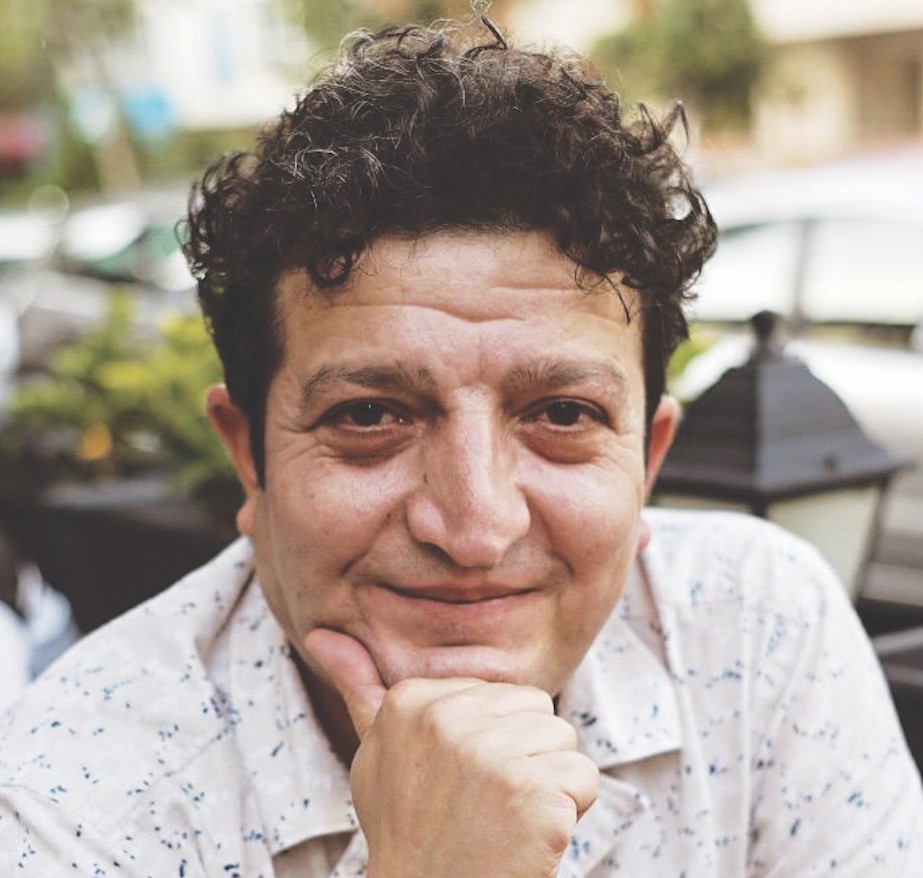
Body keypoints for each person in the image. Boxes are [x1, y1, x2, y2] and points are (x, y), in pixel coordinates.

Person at [1, 16, 921, 877]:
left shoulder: (759, 629)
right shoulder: (70, 808)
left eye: (562, 414)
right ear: (250, 458)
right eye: (369, 416)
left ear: (646, 461)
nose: (476, 528)